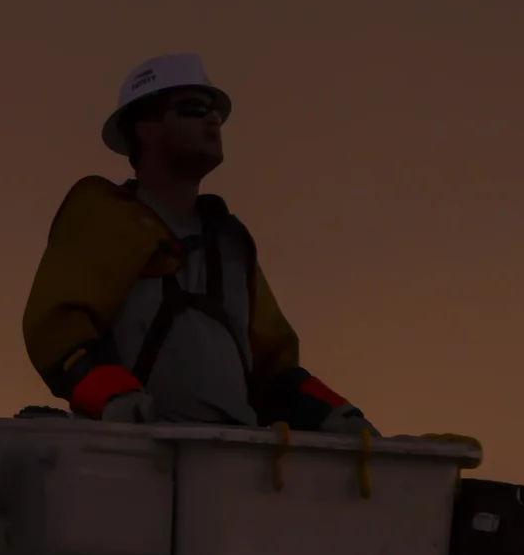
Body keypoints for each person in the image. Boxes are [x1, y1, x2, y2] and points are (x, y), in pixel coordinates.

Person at [21, 54, 369, 431]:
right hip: (136, 461)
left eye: (214, 113)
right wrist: (113, 395)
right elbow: (57, 328)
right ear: (144, 129)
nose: (211, 121)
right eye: (191, 109)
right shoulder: (103, 217)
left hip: (235, 461)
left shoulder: (230, 244)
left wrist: (335, 415)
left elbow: (272, 366)